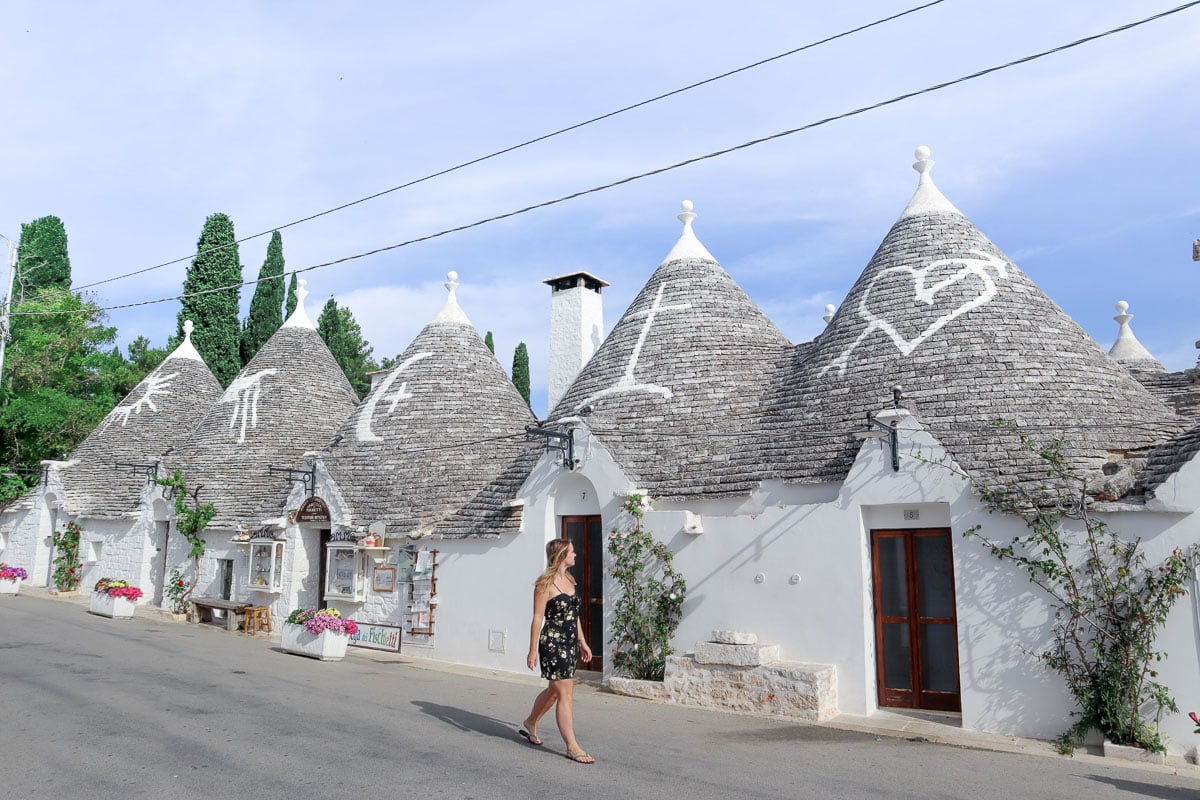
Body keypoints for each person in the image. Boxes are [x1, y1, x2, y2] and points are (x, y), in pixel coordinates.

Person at [520, 538, 595, 763]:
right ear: (562, 555)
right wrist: (532, 649)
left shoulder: (570, 580)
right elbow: (537, 618)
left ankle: (531, 722)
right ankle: (572, 746)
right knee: (565, 693)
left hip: (570, 643)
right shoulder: (545, 584)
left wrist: (582, 641)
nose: (575, 555)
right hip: (553, 644)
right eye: (572, 552)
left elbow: (575, 615)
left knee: (554, 691)